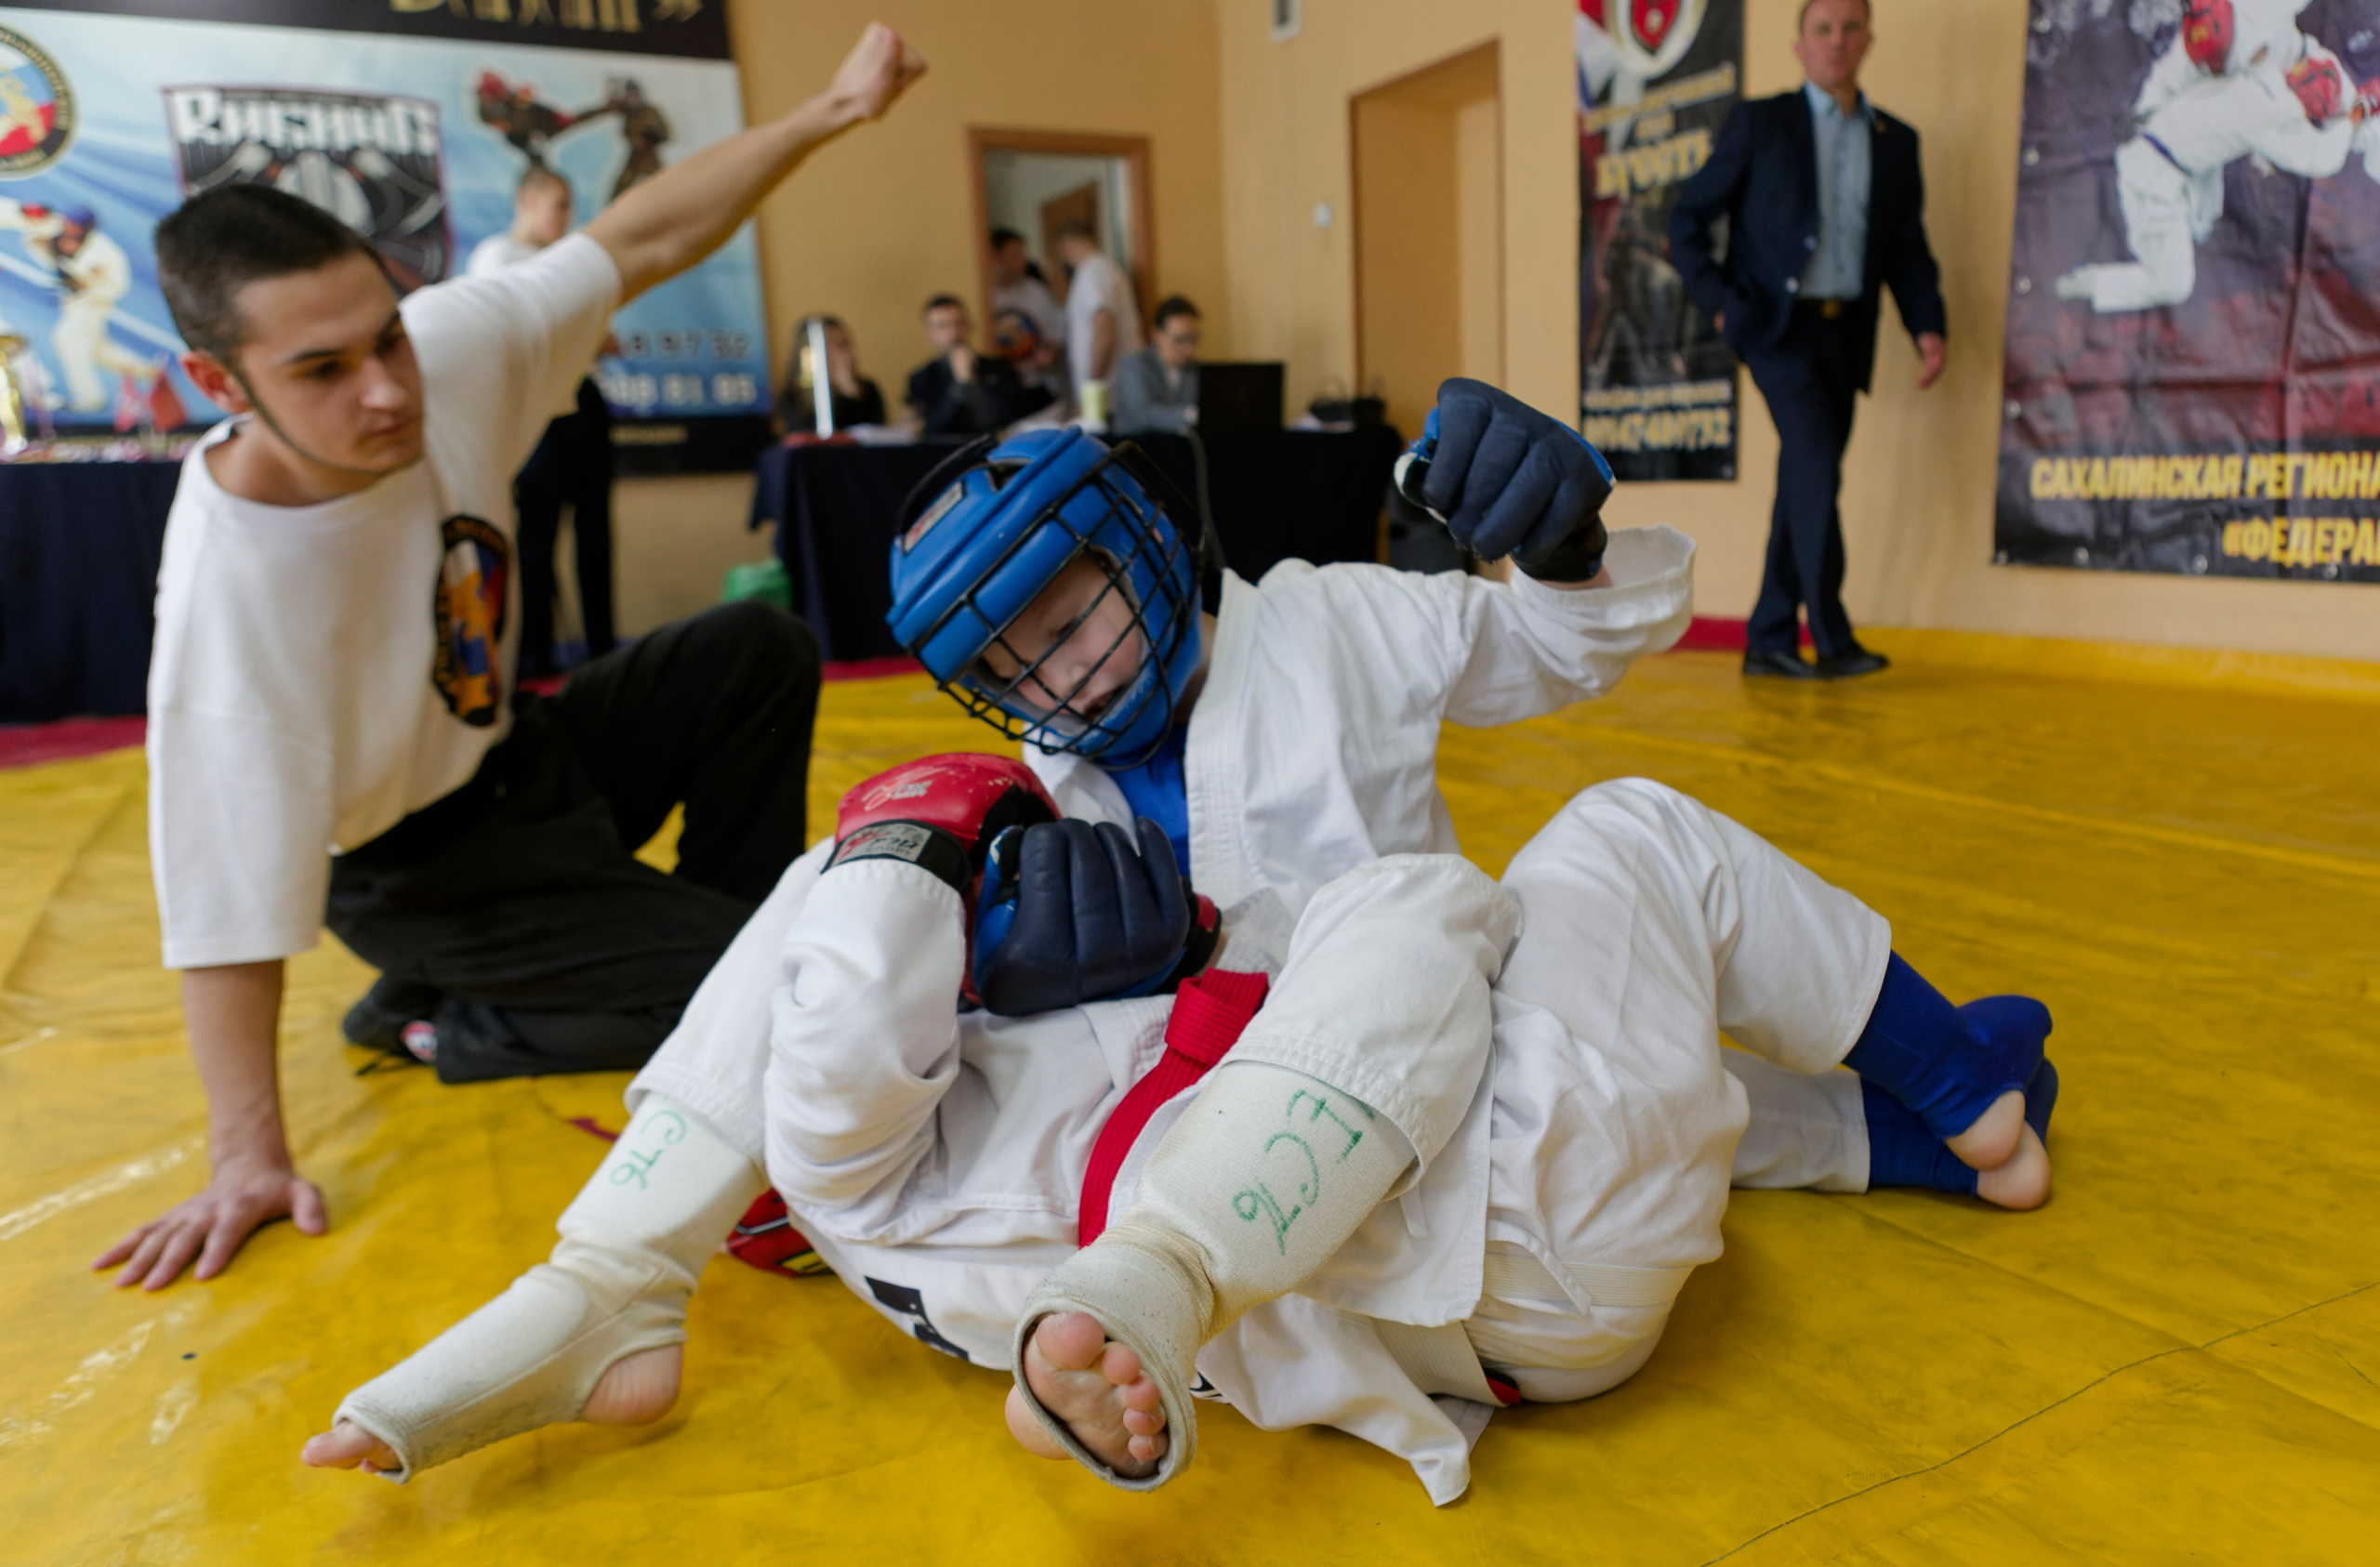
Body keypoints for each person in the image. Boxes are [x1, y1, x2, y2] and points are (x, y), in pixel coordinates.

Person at [297, 757, 2056, 1501]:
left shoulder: (936, 1197)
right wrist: (927, 832)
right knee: (1575, 853)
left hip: (1521, 1323)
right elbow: (836, 985)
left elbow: (810, 1012)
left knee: (1505, 1001)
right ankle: (1964, 1095)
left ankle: (608, 1282)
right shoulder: (856, 1156)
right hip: (1478, 1228)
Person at [95, 22, 927, 1295]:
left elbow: (642, 237)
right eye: (321, 369)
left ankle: (729, 944)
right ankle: (446, 1016)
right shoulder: (233, 595)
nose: (383, 390)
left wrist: (826, 113)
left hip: (523, 754)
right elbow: (221, 911)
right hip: (418, 872)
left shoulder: (446, 347)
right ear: (221, 379)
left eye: (384, 335)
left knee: (752, 646)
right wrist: (244, 1155)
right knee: (776, 1005)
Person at [1669, 0, 1947, 682]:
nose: (1836, 41)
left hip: (1847, 333)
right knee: (1816, 464)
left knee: (1805, 476)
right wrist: (1721, 306)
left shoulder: (1895, 141)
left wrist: (1927, 325)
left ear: (1867, 42)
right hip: (1774, 329)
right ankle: (1831, 634)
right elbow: (1686, 217)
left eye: (1850, 28)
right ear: (1800, 46)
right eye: (1823, 29)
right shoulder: (1762, 123)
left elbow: (1906, 250)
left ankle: (1767, 637)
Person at [2054, 5, 2375, 313]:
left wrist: (2358, 109)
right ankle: (2078, 287)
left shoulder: (2263, 72)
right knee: (2174, 284)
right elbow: (2322, 158)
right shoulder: (2269, 109)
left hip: (2175, 154)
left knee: (2206, 227)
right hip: (2154, 174)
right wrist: (2360, 111)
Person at [469, 166, 615, 678]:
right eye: (558, 204)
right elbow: (515, 334)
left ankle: (603, 649)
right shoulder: (498, 258)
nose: (566, 216)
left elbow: (600, 335)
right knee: (538, 534)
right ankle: (536, 655)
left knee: (595, 532)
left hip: (585, 400)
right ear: (527, 202)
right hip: (539, 409)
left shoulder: (566, 261)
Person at [0, 199, 165, 417]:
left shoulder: (104, 252)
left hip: (94, 300)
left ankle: (90, 399)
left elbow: (111, 286)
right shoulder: (56, 227)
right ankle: (151, 372)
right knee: (99, 351)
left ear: (87, 230)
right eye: (69, 224)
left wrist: (83, 281)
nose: (70, 229)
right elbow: (32, 230)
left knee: (69, 340)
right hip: (75, 299)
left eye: (76, 227)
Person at [905, 294, 1051, 436]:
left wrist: (973, 379)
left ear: (969, 325)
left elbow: (1005, 419)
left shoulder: (1000, 368)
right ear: (929, 333)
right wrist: (961, 384)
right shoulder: (922, 379)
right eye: (942, 326)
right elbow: (933, 430)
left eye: (958, 323)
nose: (953, 333)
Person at [1052, 220, 1142, 415]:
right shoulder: (1104, 269)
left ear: (1064, 246)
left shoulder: (1093, 271)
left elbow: (1105, 333)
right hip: (1114, 390)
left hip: (1107, 395)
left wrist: (1091, 390)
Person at [775, 313, 886, 433]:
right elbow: (814, 435)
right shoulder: (791, 395)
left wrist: (851, 393)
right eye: (842, 344)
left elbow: (876, 435)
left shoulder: (868, 389)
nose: (852, 352)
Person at [989, 226, 1067, 390]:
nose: (1023, 259)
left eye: (1023, 254)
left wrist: (1049, 352)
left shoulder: (1036, 291)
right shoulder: (983, 297)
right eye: (1015, 254)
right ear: (995, 257)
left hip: (1039, 383)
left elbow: (1057, 332)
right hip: (1002, 387)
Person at [1109, 295, 1199, 436]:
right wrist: (1190, 415)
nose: (1189, 349)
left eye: (1193, 339)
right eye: (1180, 340)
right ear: (1156, 335)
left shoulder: (1194, 370)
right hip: (1140, 450)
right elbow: (1141, 415)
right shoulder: (1133, 366)